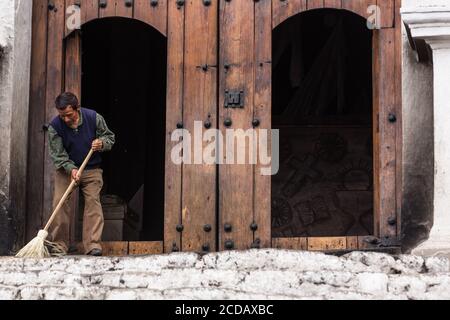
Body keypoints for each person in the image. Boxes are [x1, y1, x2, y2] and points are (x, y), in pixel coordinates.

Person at [47, 92, 115, 256]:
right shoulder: (55, 126)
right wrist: (71, 169)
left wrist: (101, 143)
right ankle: (59, 246)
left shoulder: (93, 118)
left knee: (93, 203)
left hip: (92, 169)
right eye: (62, 115)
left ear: (77, 109)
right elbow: (58, 155)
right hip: (66, 170)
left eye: (69, 115)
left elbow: (109, 138)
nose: (65, 119)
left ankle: (92, 245)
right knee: (59, 202)